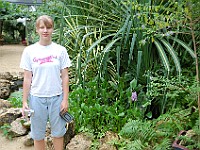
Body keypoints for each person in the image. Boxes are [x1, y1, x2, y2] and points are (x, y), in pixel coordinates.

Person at [20, 15, 71, 150]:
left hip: (57, 97)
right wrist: (24, 101)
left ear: (53, 29)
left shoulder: (60, 50)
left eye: (48, 27)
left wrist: (65, 100)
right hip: (37, 98)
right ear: (37, 29)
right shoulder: (29, 51)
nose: (45, 30)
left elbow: (65, 77)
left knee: (58, 133)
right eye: (42, 27)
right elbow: (27, 78)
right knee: (38, 135)